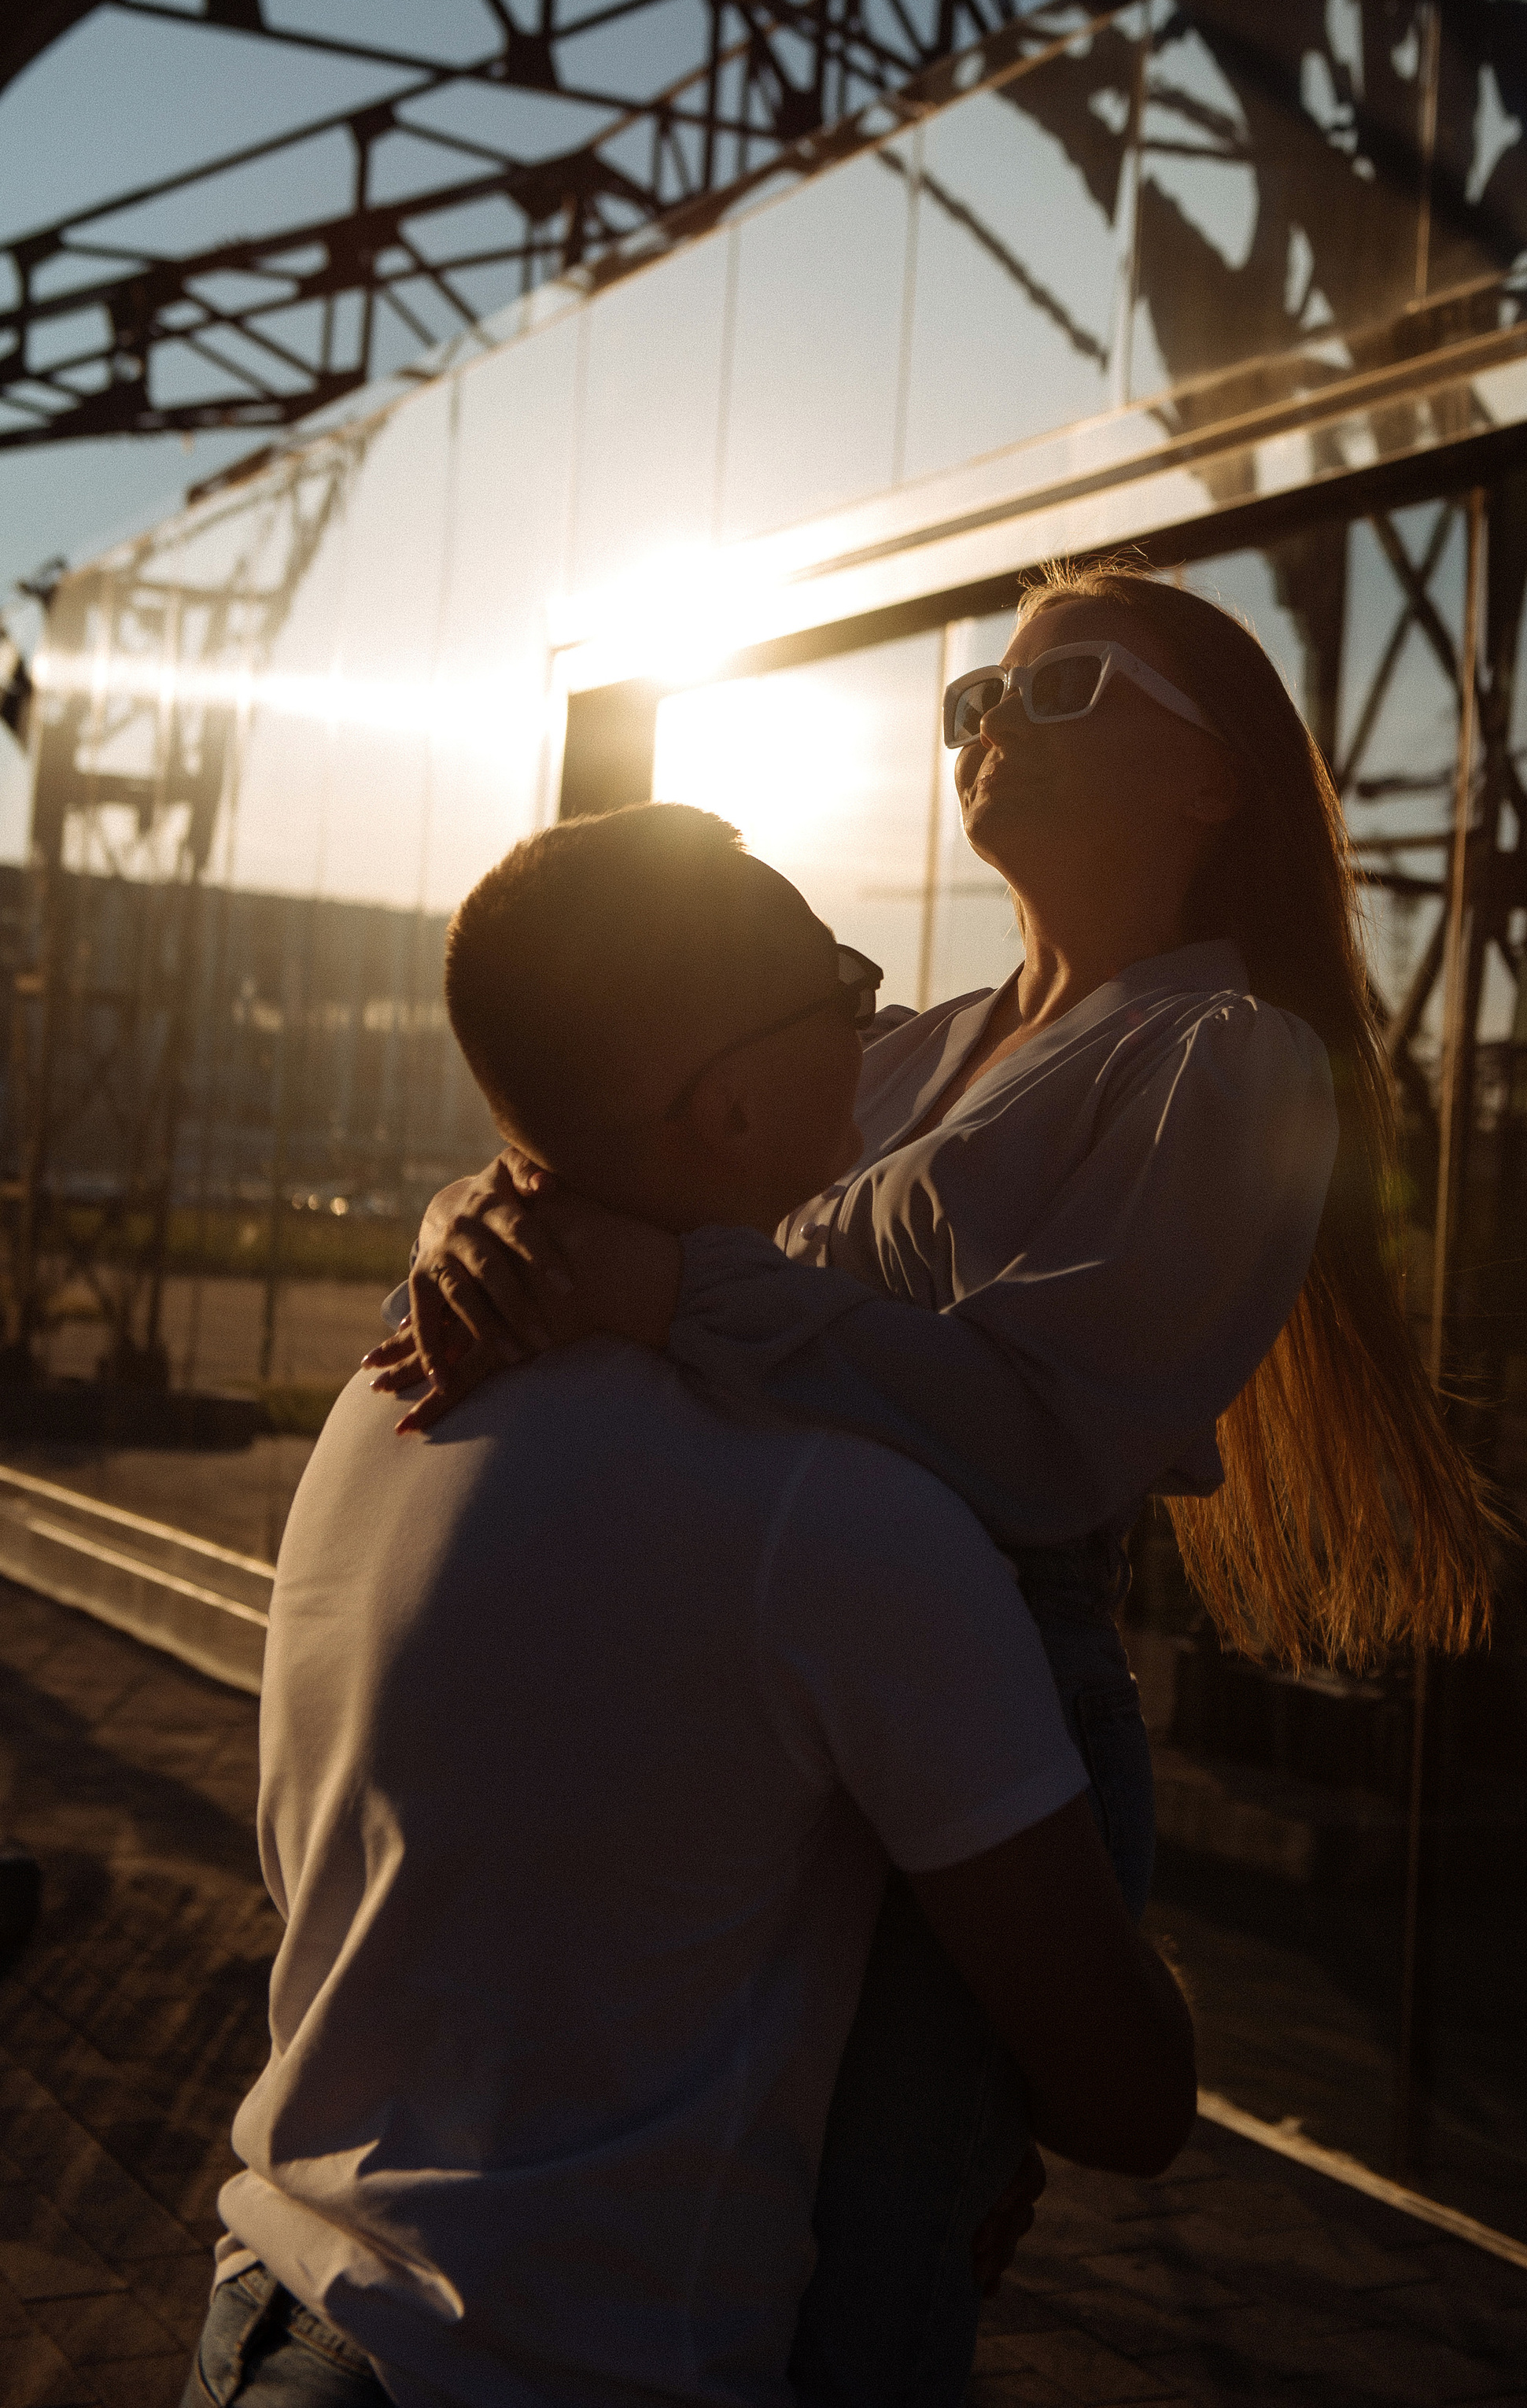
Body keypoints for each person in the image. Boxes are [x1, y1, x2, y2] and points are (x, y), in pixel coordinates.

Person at [370, 556, 1496, 2403]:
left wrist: (668, 1292)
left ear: (1212, 778)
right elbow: (638, 1147)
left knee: (861, 2275)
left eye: (1065, 689)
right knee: (747, 2191)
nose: (990, 728)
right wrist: (477, 1225)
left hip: (990, 1686)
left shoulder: (1227, 1066)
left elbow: (1046, 1439)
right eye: (978, 699)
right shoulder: (915, 1044)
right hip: (790, 1671)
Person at [183, 806, 1194, 2408]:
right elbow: (1126, 2095)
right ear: (728, 1104)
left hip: (265, 2324)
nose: (875, 1018)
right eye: (839, 986)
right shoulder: (842, 1517)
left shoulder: (394, 1389)